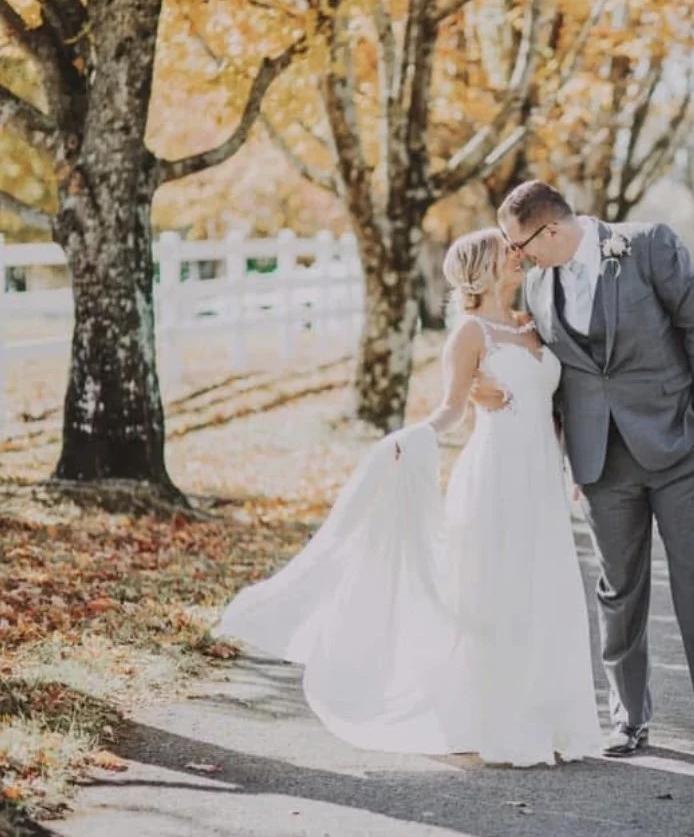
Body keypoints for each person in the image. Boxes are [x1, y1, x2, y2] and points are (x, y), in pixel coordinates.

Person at [214, 228, 601, 767]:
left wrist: (577, 463)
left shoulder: (531, 324)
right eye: (505, 252)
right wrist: (413, 437)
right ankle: (497, 720)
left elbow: (555, 405)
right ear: (482, 269)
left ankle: (546, 714)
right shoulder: (469, 334)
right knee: (496, 593)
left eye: (516, 250)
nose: (517, 257)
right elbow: (450, 409)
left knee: (544, 590)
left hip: (542, 479)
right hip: (494, 476)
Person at [481, 180, 694, 763]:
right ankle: (629, 718)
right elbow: (550, 374)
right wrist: (560, 452)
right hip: (601, 459)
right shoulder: (534, 285)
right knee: (619, 590)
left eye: (521, 242)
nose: (517, 254)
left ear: (550, 230)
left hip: (681, 445)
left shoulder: (648, 245)